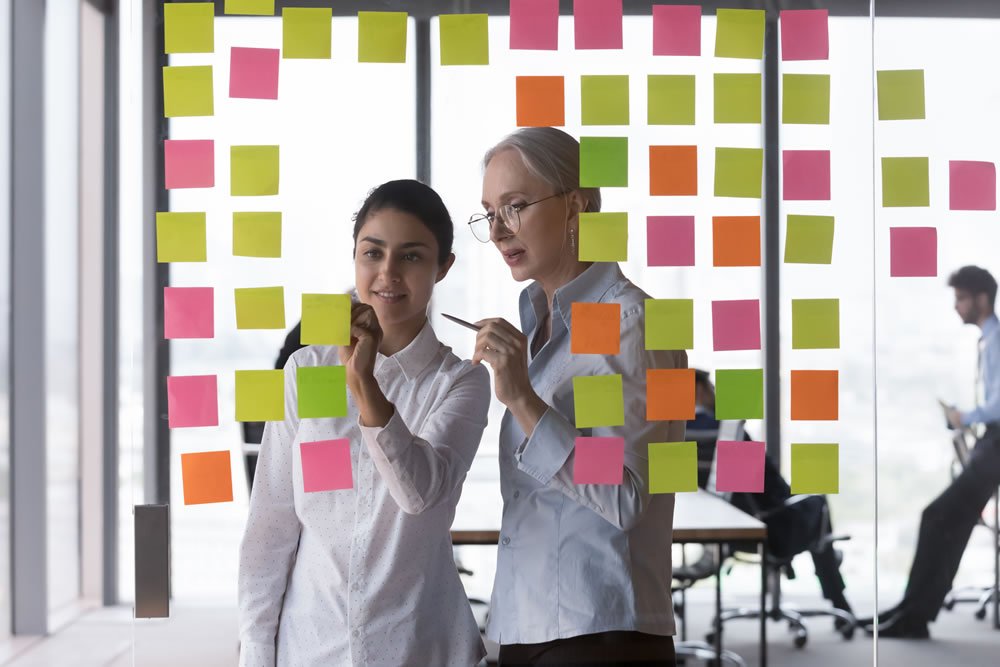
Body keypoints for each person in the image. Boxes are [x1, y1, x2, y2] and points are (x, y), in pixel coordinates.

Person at [238, 180, 490, 666]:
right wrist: (255, 651)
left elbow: (417, 495)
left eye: (411, 257)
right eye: (372, 253)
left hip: (419, 645)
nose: (387, 273)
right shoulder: (306, 370)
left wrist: (364, 386)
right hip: (312, 645)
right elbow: (270, 525)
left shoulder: (459, 383)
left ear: (443, 268)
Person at [471, 127, 685, 666]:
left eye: (514, 207)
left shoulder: (634, 322)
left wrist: (522, 399)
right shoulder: (541, 327)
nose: (498, 231)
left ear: (576, 206)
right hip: (531, 625)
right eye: (488, 213)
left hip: (601, 635)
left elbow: (626, 495)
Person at [866, 265, 1000, 639]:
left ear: (981, 299)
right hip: (990, 443)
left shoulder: (997, 339)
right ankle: (911, 611)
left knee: (939, 517)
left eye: (960, 298)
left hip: (996, 444)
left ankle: (914, 614)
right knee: (945, 520)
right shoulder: (988, 339)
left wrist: (964, 416)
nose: (956, 307)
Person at [687, 370, 854, 626]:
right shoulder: (730, 430)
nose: (714, 391)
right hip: (771, 526)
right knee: (817, 500)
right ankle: (836, 594)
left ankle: (829, 569)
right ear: (698, 390)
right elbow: (771, 483)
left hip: (733, 526)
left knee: (807, 503)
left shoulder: (681, 434)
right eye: (709, 386)